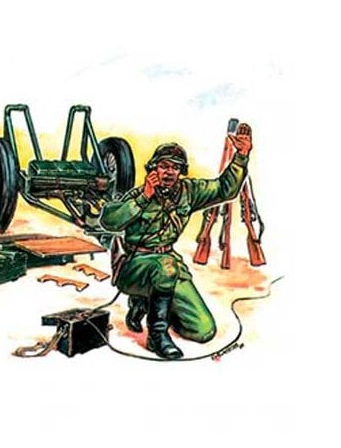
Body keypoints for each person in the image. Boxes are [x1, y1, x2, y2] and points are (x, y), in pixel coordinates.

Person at [100, 125, 253, 359]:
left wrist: (241, 156)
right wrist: (144, 197)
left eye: (175, 167)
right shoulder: (139, 194)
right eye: (163, 166)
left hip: (167, 267)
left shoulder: (188, 192)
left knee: (203, 330)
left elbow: (225, 190)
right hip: (134, 267)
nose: (169, 172)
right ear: (153, 169)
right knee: (167, 267)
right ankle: (157, 336)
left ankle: (148, 303)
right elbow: (109, 221)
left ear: (181, 171)